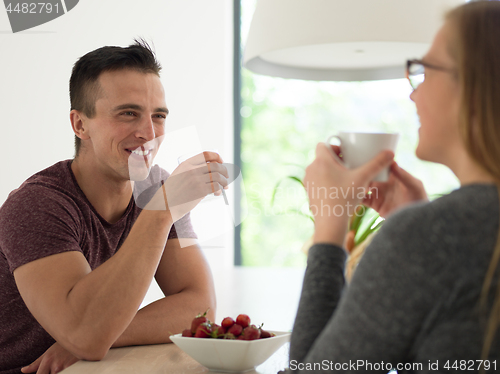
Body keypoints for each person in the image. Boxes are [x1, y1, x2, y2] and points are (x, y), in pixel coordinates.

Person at [290, 1, 500, 372]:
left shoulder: (431, 237)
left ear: (474, 85)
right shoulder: (439, 234)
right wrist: (415, 222)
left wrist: (329, 227)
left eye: (424, 71)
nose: (412, 93)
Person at [0, 40, 228, 374]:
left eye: (158, 116)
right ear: (80, 125)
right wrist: (162, 211)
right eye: (128, 114)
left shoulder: (156, 187)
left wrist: (96, 338)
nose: (148, 133)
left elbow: (200, 309)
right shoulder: (37, 205)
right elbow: (86, 336)